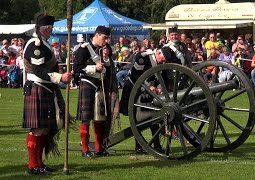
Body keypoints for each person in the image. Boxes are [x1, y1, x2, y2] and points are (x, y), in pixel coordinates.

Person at [22, 14, 72, 175]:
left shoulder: (44, 43)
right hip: (37, 87)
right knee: (37, 128)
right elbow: (38, 70)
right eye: (47, 28)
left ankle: (39, 163)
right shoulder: (36, 45)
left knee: (44, 129)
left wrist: (61, 74)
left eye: (51, 28)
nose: (49, 31)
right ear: (38, 29)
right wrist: (60, 77)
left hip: (46, 88)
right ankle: (33, 165)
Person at [119, 46, 178, 153]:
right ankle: (139, 146)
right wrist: (149, 86)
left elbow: (163, 78)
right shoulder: (143, 57)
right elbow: (136, 76)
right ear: (158, 53)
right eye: (163, 59)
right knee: (137, 119)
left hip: (149, 93)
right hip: (134, 90)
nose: (163, 62)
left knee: (154, 118)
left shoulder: (161, 62)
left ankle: (157, 145)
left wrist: (159, 88)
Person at [73, 26, 116, 158]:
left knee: (100, 119)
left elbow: (108, 68)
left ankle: (99, 148)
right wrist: (94, 68)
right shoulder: (83, 49)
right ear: (97, 35)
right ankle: (85, 149)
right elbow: (77, 69)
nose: (106, 40)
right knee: (86, 118)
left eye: (107, 38)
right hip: (87, 83)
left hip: (101, 85)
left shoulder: (106, 49)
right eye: (104, 37)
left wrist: (106, 59)